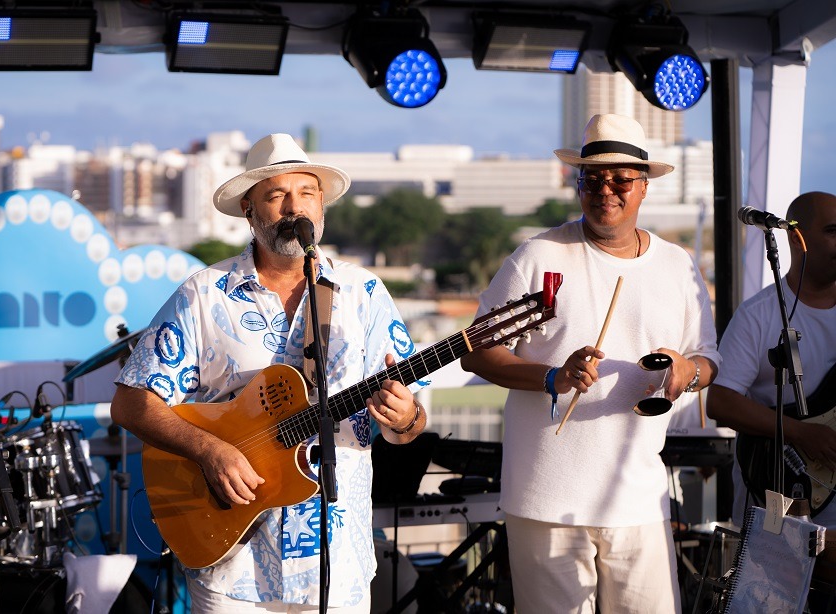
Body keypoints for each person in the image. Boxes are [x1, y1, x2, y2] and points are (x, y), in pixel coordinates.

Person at [110, 133, 427, 612]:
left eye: (305, 193)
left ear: (321, 205)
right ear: (248, 208)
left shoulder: (364, 293)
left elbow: (409, 426)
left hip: (336, 565)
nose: (292, 208)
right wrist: (209, 449)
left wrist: (404, 419)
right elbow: (132, 401)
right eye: (276, 195)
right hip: (233, 565)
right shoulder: (204, 293)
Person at [459, 113, 720, 614]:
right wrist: (553, 376)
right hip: (546, 500)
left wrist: (689, 373)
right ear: (577, 185)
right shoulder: (537, 256)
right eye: (592, 179)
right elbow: (475, 350)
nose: (606, 190)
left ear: (644, 187)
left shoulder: (678, 264)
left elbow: (710, 359)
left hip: (638, 495)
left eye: (621, 179)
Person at [707, 192, 836, 528]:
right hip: (777, 493)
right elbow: (720, 401)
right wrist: (800, 433)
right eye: (832, 230)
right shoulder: (758, 315)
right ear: (797, 237)